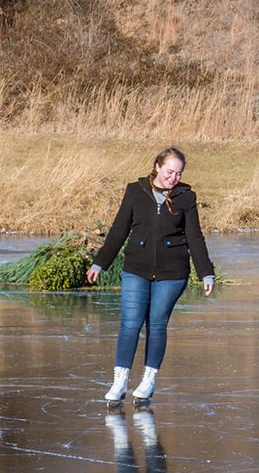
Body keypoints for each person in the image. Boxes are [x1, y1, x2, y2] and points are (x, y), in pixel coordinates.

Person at [87, 148, 215, 405]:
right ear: (157, 166)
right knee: (130, 324)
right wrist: (100, 263)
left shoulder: (185, 197)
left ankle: (148, 380)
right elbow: (118, 230)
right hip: (136, 269)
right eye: (169, 172)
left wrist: (206, 273)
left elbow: (194, 237)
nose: (173, 178)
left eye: (178, 173)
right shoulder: (136, 191)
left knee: (156, 324)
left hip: (172, 273)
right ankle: (120, 380)